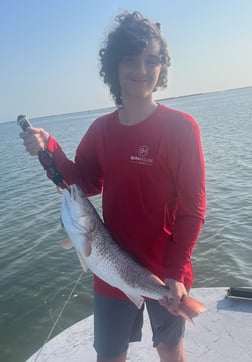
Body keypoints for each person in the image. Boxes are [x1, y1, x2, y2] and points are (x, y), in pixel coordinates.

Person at [20, 11, 206, 362]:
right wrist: (50, 148)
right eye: (130, 59)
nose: (141, 69)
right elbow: (83, 182)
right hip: (112, 269)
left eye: (151, 60)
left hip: (166, 268)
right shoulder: (101, 131)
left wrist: (176, 271)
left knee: (169, 349)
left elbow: (193, 209)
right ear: (113, 67)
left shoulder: (182, 128)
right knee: (109, 354)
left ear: (162, 67)